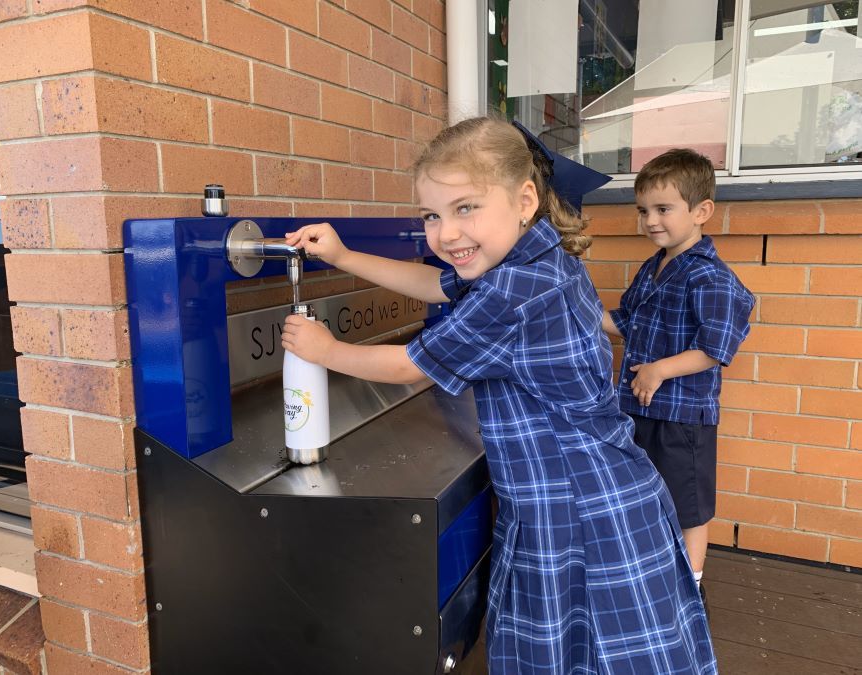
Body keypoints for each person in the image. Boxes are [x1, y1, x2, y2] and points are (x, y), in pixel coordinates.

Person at [282, 117, 717, 674]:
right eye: (432, 215)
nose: (446, 233)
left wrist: (326, 350)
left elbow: (409, 364)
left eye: (466, 208)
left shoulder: (515, 290)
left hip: (575, 508)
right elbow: (436, 284)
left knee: (576, 655)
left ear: (525, 200)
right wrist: (342, 257)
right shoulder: (534, 259)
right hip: (594, 491)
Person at [602, 148, 755, 613]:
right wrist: (576, 313)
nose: (650, 220)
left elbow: (716, 348)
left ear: (701, 211)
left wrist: (660, 368)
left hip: (682, 416)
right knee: (644, 494)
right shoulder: (654, 266)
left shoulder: (711, 277)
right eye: (643, 210)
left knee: (687, 505)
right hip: (637, 407)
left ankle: (690, 587)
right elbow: (625, 321)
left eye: (663, 209)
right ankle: (651, 576)